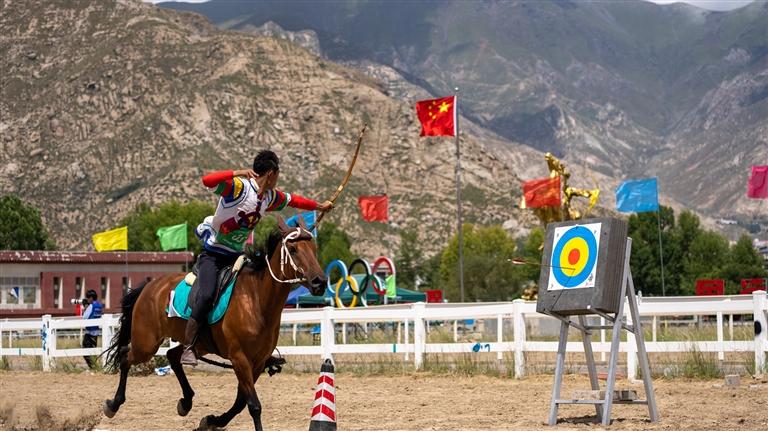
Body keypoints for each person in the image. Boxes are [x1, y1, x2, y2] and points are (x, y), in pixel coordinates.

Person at [182, 150, 333, 365]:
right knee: (206, 295)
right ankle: (189, 346)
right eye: (278, 174)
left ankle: (258, 348)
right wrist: (238, 172)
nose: (278, 178)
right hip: (213, 256)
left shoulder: (269, 197)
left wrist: (320, 206)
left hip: (236, 256)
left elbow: (295, 201)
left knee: (259, 291)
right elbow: (207, 181)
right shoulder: (239, 188)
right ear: (271, 173)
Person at [82, 289, 103, 369]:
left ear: (91, 297)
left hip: (89, 331)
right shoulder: (99, 305)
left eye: (88, 297)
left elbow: (85, 317)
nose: (87, 299)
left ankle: (92, 367)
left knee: (85, 351)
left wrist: (85, 308)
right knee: (93, 350)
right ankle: (94, 366)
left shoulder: (91, 306)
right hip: (96, 331)